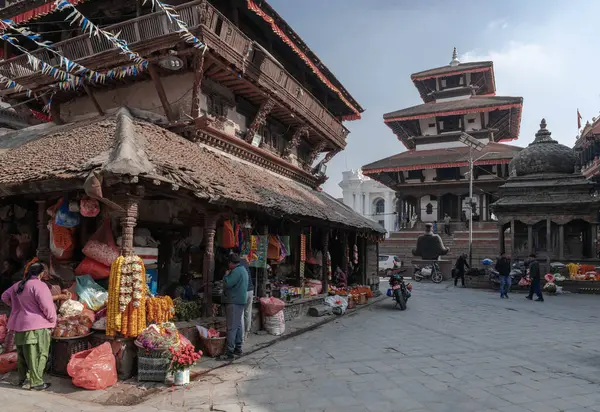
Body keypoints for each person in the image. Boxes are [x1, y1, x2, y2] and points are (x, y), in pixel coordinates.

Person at [1, 262, 56, 390]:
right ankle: (36, 382)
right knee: (38, 354)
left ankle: (23, 379)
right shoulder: (40, 286)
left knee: (23, 355)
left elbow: (4, 297)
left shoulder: (18, 284)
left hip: (19, 326)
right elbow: (47, 307)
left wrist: (15, 307)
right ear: (41, 273)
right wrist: (52, 320)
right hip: (37, 327)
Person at [221, 253, 248, 360]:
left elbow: (227, 283)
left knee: (232, 327)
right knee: (238, 326)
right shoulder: (243, 269)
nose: (228, 265)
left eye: (229, 263)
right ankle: (238, 348)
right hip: (240, 301)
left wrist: (226, 275)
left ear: (232, 263)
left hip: (234, 301)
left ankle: (230, 352)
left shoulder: (236, 271)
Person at [240, 255, 254, 341]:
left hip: (244, 291)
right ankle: (246, 333)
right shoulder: (245, 263)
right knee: (248, 312)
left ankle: (241, 336)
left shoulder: (237, 265)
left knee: (241, 313)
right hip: (251, 290)